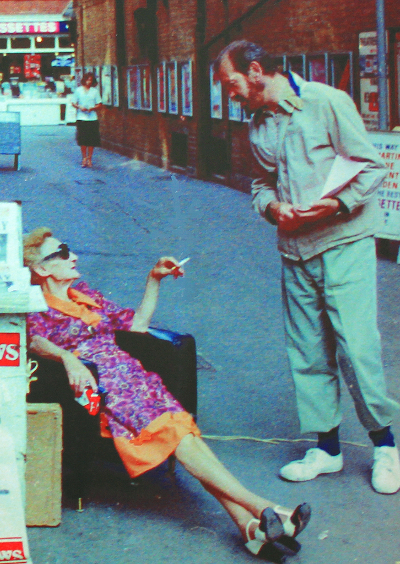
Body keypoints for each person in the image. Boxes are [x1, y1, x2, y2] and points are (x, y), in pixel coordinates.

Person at [24, 228, 309, 562]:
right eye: (62, 252)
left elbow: (137, 326)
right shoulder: (34, 304)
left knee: (182, 431)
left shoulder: (83, 293)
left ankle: (248, 527)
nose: (73, 256)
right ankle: (265, 507)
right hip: (108, 393)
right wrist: (68, 357)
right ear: (42, 269)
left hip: (137, 382)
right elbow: (33, 340)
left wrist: (154, 279)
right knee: (178, 434)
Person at [215, 40, 400, 494]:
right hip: (294, 252)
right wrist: (272, 207)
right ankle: (327, 450)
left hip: (344, 242)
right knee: (308, 351)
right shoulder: (257, 125)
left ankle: (385, 446)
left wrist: (334, 205)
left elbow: (373, 168)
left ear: (256, 71)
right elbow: (261, 183)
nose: (230, 95)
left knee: (356, 348)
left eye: (233, 84)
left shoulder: (327, 103)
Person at [71, 72, 101, 168]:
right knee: (83, 139)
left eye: (91, 80)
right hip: (81, 117)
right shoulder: (78, 90)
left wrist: (93, 108)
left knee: (91, 140)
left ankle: (90, 158)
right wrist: (79, 107)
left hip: (92, 118)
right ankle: (84, 157)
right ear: (84, 80)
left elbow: (99, 104)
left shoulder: (94, 91)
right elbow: (73, 102)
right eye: (87, 80)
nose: (89, 82)